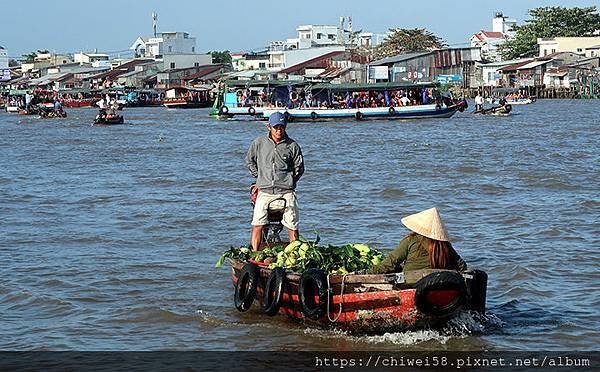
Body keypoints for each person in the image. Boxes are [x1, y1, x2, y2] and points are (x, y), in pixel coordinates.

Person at [246, 112, 304, 251]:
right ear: (269, 127)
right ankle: (255, 252)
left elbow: (299, 168)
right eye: (276, 127)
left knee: (292, 225)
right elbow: (250, 161)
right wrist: (258, 178)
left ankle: (294, 253)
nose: (279, 130)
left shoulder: (292, 146)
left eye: (282, 127)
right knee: (257, 224)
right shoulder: (259, 143)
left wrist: (289, 181)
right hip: (264, 190)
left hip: (286, 191)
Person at [367, 207, 467, 274]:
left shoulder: (410, 240)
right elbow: (462, 266)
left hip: (413, 283)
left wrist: (367, 272)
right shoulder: (445, 245)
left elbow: (390, 263)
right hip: (438, 281)